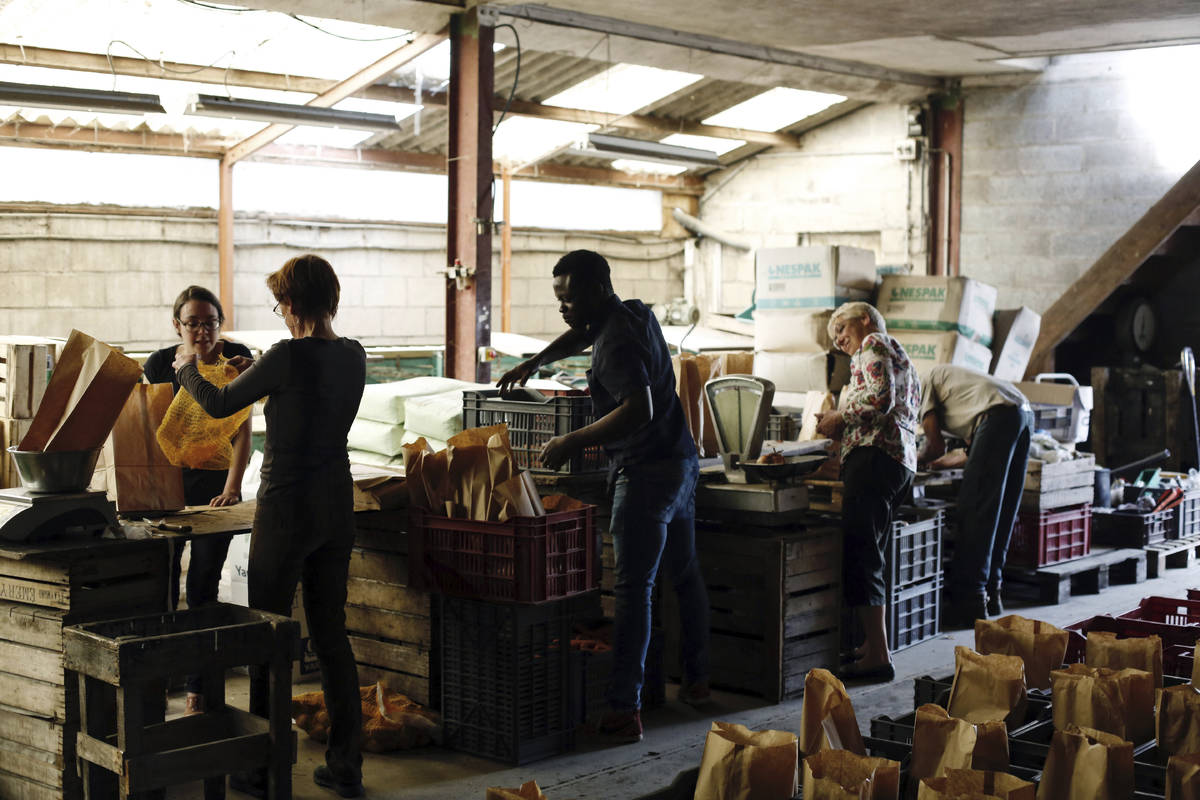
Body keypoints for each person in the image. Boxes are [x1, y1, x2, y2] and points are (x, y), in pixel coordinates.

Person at [173, 255, 366, 798]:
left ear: (295, 304)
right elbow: (299, 393)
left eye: (280, 304)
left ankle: (260, 767)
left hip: (287, 510)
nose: (279, 314)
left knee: (268, 635)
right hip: (336, 506)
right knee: (332, 637)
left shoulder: (285, 355)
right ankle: (346, 765)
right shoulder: (353, 355)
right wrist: (252, 373)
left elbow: (215, 404)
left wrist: (187, 366)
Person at [498, 249, 709, 744]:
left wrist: (572, 440)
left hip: (644, 474)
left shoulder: (612, 342)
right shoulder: (632, 312)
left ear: (595, 290)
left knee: (633, 592)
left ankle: (623, 708)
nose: (563, 308)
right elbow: (584, 333)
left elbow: (639, 408)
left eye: (569, 298)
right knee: (684, 575)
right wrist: (536, 360)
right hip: (680, 464)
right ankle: (697, 681)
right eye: (559, 300)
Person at [143, 285, 252, 715]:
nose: (202, 331)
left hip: (215, 489)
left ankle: (199, 688)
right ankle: (158, 682)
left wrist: (232, 486)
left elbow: (242, 430)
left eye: (210, 323)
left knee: (202, 586)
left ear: (219, 324)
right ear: (178, 325)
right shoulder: (157, 365)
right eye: (193, 323)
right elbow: (155, 430)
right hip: (167, 488)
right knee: (162, 585)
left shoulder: (237, 358)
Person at [815, 301, 920, 683]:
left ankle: (876, 654)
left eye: (840, 329)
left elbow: (878, 399)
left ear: (864, 319)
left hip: (874, 457)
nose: (839, 340)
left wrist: (838, 418)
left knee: (861, 552)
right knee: (871, 551)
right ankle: (873, 645)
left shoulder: (873, 342)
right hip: (896, 461)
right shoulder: (896, 351)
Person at [918, 364, 1033, 629]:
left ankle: (968, 602)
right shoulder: (960, 391)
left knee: (976, 511)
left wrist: (916, 459)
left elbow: (934, 445)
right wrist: (938, 464)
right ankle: (992, 594)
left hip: (998, 418)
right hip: (1023, 414)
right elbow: (975, 454)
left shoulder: (922, 381)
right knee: (1001, 511)